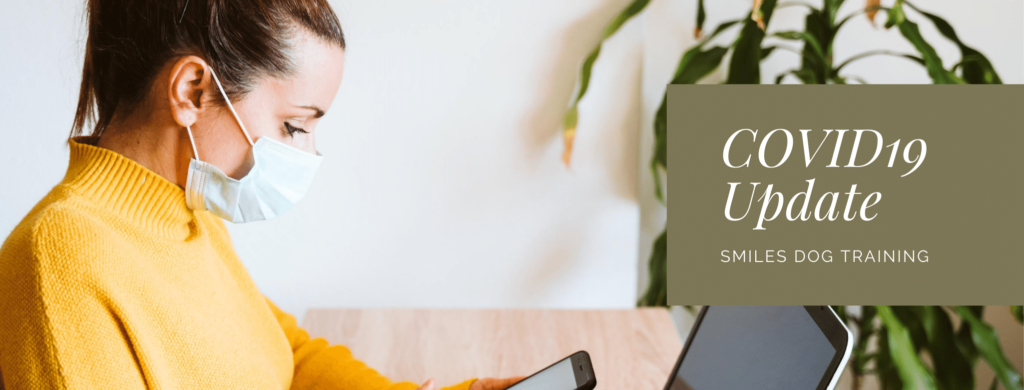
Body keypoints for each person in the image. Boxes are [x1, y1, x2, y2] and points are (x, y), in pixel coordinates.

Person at [0, 0, 523, 389]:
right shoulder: (60, 261)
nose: (309, 154)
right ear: (193, 92)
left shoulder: (188, 210)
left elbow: (283, 357)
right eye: (295, 127)